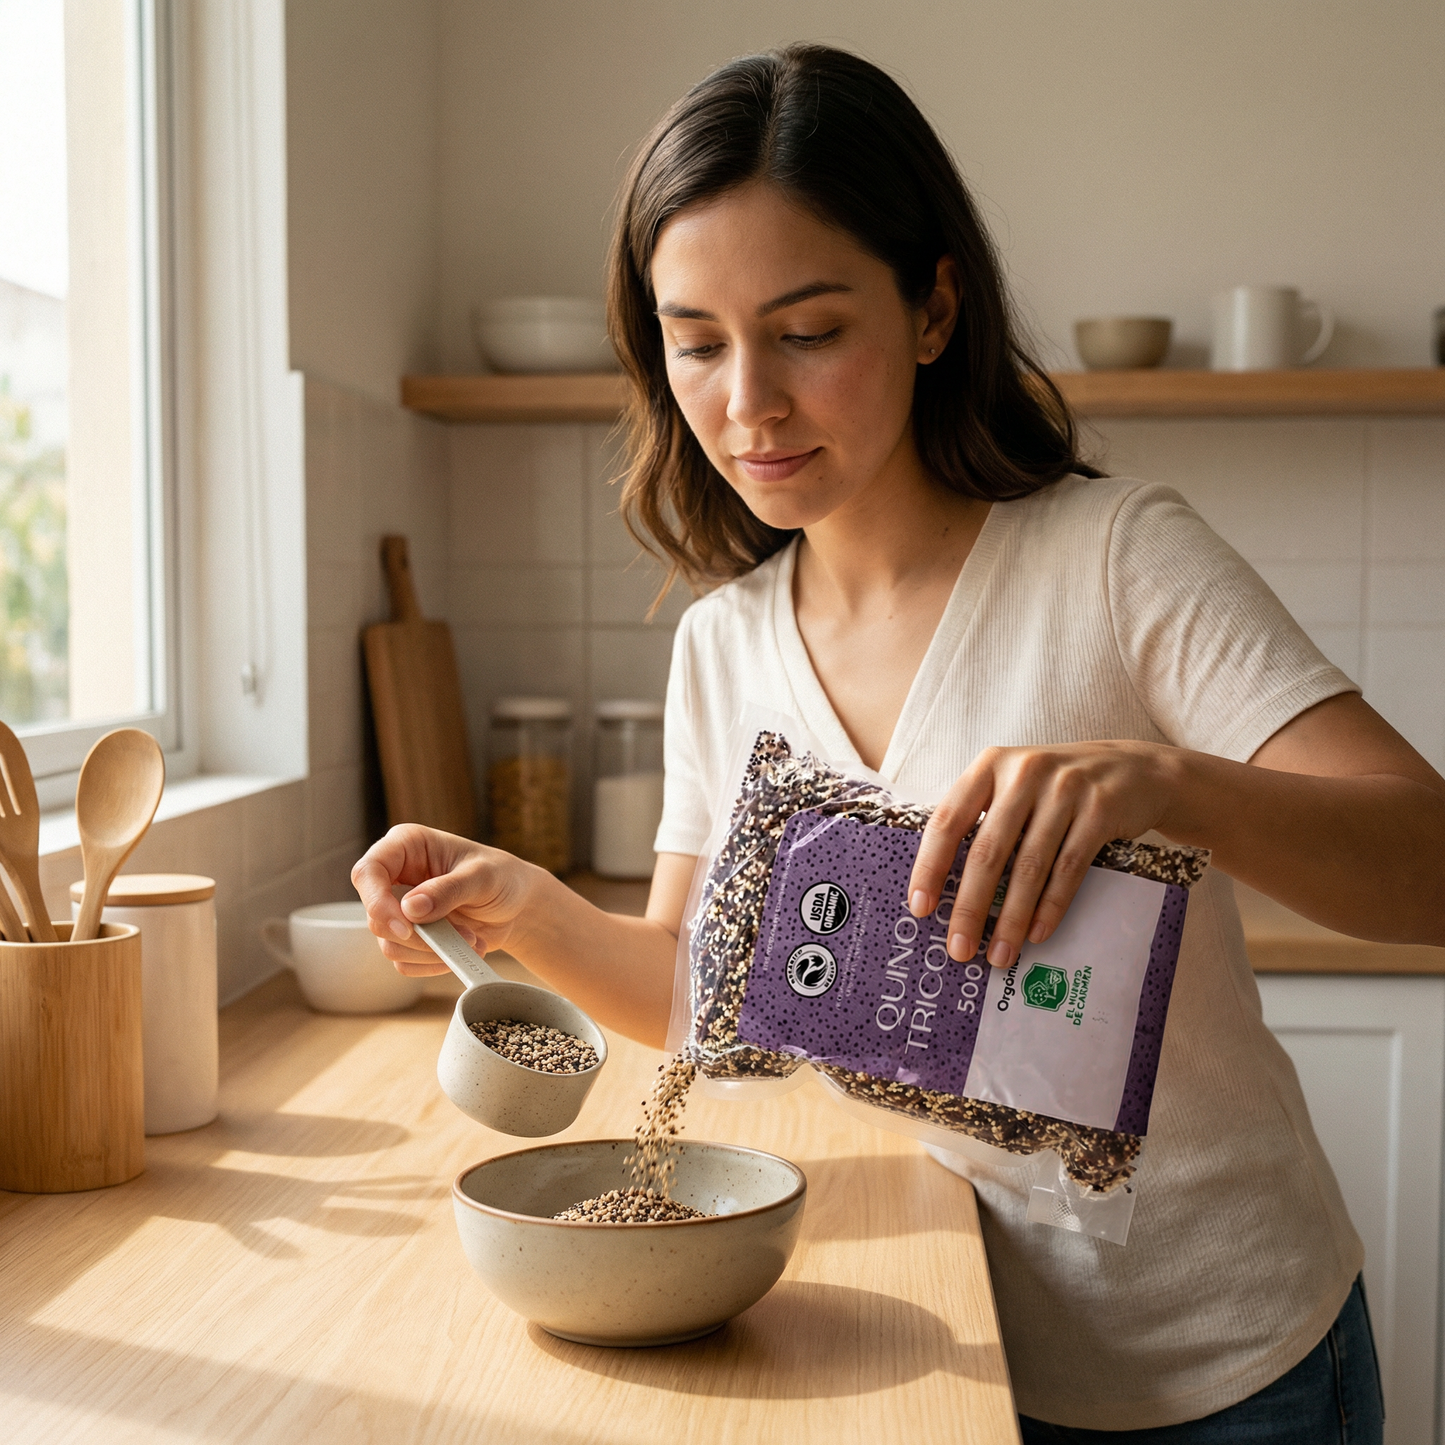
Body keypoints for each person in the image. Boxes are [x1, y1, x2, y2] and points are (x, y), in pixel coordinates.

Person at [353, 44, 1442, 1441]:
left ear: (933, 308)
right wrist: (523, 907)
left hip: (1225, 1363)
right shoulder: (724, 647)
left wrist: (1166, 784)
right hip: (944, 1347)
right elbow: (704, 990)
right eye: (697, 340)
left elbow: (1429, 863)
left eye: (807, 331)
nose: (749, 400)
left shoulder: (1113, 561)